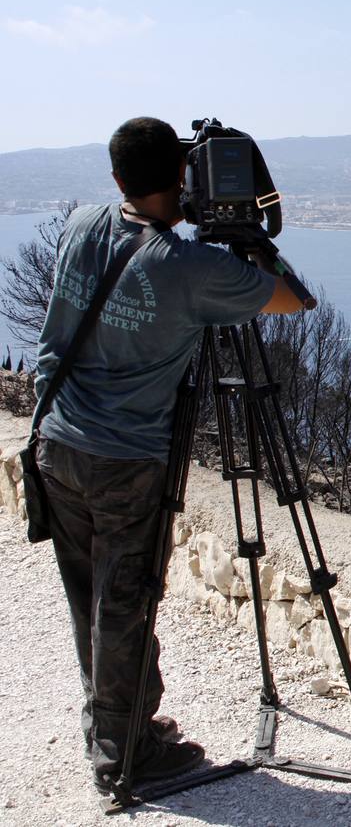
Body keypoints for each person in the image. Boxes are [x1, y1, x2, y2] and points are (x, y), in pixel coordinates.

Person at [32, 116, 303, 793]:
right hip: (125, 459)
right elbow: (293, 299)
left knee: (88, 595)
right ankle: (125, 757)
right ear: (183, 176)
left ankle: (113, 728)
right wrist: (249, 232)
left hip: (55, 440)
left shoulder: (82, 226)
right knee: (125, 601)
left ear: (117, 177)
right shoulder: (188, 269)